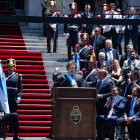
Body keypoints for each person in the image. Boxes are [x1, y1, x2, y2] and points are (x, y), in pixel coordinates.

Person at [5, 57, 23, 133]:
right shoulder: (3, 76)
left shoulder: (17, 76)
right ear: (7, 66)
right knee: (5, 113)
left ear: (14, 66)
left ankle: (11, 128)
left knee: (12, 113)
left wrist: (19, 96)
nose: (10, 67)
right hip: (5, 97)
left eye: (12, 66)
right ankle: (5, 127)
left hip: (13, 97)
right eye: (9, 66)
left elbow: (20, 87)